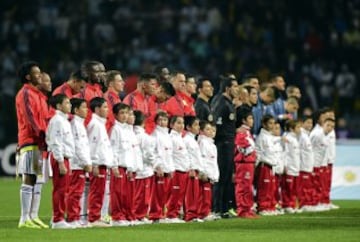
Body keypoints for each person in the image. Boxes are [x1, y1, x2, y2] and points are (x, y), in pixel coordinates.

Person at [16, 61, 46, 229]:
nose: (40, 75)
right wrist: (41, 133)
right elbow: (29, 116)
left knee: (34, 178)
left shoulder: (38, 94)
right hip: (30, 139)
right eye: (37, 73)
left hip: (37, 142)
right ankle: (23, 219)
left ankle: (31, 217)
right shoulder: (26, 93)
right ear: (28, 77)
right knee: (28, 177)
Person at [211, 76, 238, 218]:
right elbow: (217, 124)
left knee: (227, 177)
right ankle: (216, 208)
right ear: (228, 88)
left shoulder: (228, 103)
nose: (237, 90)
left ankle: (224, 208)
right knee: (221, 177)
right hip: (223, 144)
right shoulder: (222, 103)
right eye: (235, 87)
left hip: (228, 143)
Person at [46, 94, 75, 229]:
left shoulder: (63, 120)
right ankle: (58, 220)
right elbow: (56, 142)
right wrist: (60, 161)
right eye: (67, 103)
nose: (70, 105)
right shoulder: (57, 120)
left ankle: (56, 218)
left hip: (64, 157)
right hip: (60, 158)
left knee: (64, 189)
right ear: (58, 106)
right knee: (60, 189)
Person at [29, 72, 53, 229]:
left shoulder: (44, 100)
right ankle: (29, 216)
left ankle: (34, 215)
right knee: (31, 182)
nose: (50, 83)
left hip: (43, 148)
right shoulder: (35, 98)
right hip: (34, 145)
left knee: (39, 182)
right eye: (47, 81)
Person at [86, 97, 113, 227]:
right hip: (98, 164)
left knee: (100, 191)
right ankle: (93, 218)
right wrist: (94, 163)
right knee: (96, 191)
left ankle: (96, 216)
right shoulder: (95, 125)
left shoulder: (100, 124)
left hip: (102, 163)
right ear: (97, 109)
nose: (108, 110)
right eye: (105, 107)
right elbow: (92, 145)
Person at [66, 98, 92, 227]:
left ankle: (76, 217)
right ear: (76, 110)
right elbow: (77, 146)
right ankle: (72, 218)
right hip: (77, 164)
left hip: (79, 164)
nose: (86, 110)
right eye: (83, 107)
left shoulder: (80, 124)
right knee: (75, 192)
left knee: (78, 192)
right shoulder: (75, 124)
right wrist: (86, 162)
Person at [149, 111, 175, 222]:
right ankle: (155, 215)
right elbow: (154, 152)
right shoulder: (155, 135)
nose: (162, 122)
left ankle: (162, 213)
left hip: (167, 168)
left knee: (165, 193)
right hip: (159, 169)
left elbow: (169, 153)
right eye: (160, 120)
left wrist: (171, 168)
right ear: (156, 122)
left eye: (165, 120)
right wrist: (157, 166)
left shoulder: (168, 136)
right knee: (157, 194)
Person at [233, 111, 258, 218]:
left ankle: (248, 208)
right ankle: (242, 210)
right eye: (250, 118)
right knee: (242, 186)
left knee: (248, 187)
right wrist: (252, 150)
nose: (252, 121)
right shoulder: (242, 132)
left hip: (249, 163)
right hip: (243, 163)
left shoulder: (247, 132)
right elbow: (241, 148)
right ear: (244, 120)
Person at [133, 110, 156, 224]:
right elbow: (149, 155)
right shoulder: (145, 137)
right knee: (143, 195)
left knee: (136, 194)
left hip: (134, 169)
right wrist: (154, 164)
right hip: (145, 170)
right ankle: (139, 215)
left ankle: (138, 215)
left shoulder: (131, 134)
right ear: (143, 122)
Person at [167, 116, 189, 223]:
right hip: (176, 171)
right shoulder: (171, 138)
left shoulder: (180, 138)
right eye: (178, 123)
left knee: (180, 194)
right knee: (174, 194)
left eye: (182, 123)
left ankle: (175, 213)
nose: (181, 125)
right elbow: (169, 155)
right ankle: (171, 214)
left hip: (183, 171)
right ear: (171, 125)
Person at [255, 115, 277, 215]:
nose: (272, 125)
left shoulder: (270, 136)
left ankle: (270, 207)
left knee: (271, 188)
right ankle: (263, 207)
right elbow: (258, 152)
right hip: (264, 165)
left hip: (271, 166)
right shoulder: (261, 137)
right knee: (264, 188)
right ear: (264, 124)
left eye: (273, 123)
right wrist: (255, 166)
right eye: (270, 123)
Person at [198, 121, 219, 221]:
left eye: (211, 129)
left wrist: (215, 174)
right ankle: (203, 213)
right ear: (201, 131)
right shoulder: (202, 142)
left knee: (208, 195)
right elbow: (202, 159)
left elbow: (213, 162)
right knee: (204, 195)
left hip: (210, 174)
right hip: (205, 174)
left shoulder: (212, 144)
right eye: (207, 129)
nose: (210, 131)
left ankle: (207, 211)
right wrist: (203, 172)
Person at [183, 116, 203, 222]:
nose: (198, 127)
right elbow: (186, 155)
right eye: (195, 125)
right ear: (188, 127)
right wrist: (190, 168)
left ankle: (194, 214)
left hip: (195, 170)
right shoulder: (186, 140)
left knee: (195, 194)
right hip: (191, 171)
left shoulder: (193, 140)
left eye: (198, 125)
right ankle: (190, 215)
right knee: (190, 194)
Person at [281, 120, 301, 214]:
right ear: (291, 129)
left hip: (295, 167)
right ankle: (286, 205)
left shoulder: (295, 139)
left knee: (294, 189)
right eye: (297, 127)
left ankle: (292, 204)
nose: (299, 129)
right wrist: (285, 165)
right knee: (288, 188)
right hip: (289, 167)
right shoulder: (288, 138)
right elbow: (285, 153)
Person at [298, 115, 316, 212]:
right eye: (308, 122)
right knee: (303, 187)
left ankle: (307, 203)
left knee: (308, 186)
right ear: (302, 123)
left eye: (311, 123)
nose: (310, 125)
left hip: (308, 166)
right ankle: (303, 204)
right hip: (303, 166)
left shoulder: (307, 135)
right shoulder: (301, 135)